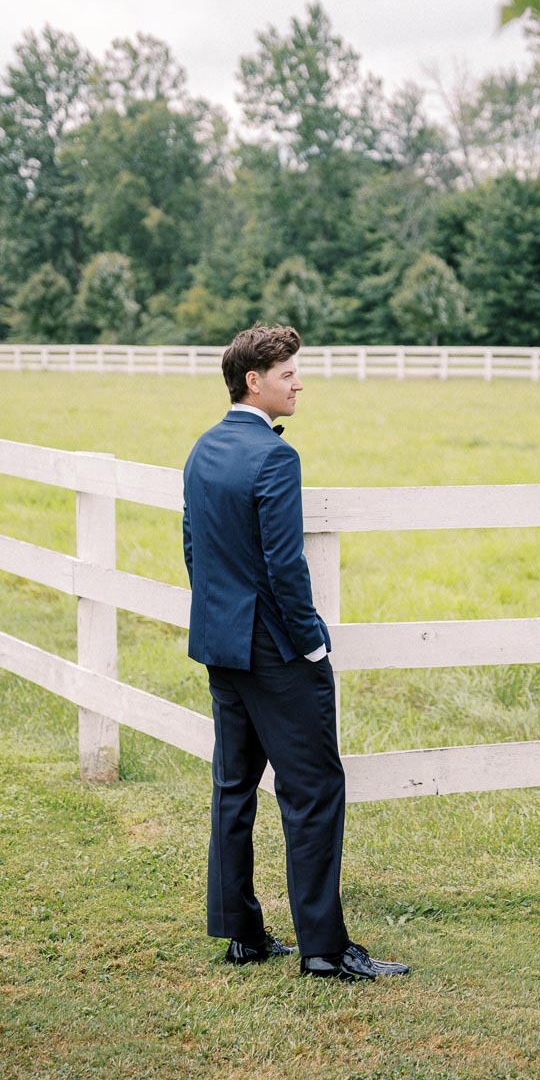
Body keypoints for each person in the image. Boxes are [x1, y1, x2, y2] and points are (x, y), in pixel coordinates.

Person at [182, 323, 410, 982]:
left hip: (220, 645)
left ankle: (243, 935)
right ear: (255, 380)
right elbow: (286, 566)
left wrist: (221, 619)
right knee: (314, 791)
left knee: (234, 788)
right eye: (288, 374)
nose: (298, 383)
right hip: (275, 652)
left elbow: (194, 547)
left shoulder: (203, 449)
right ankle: (324, 949)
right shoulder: (276, 459)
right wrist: (311, 645)